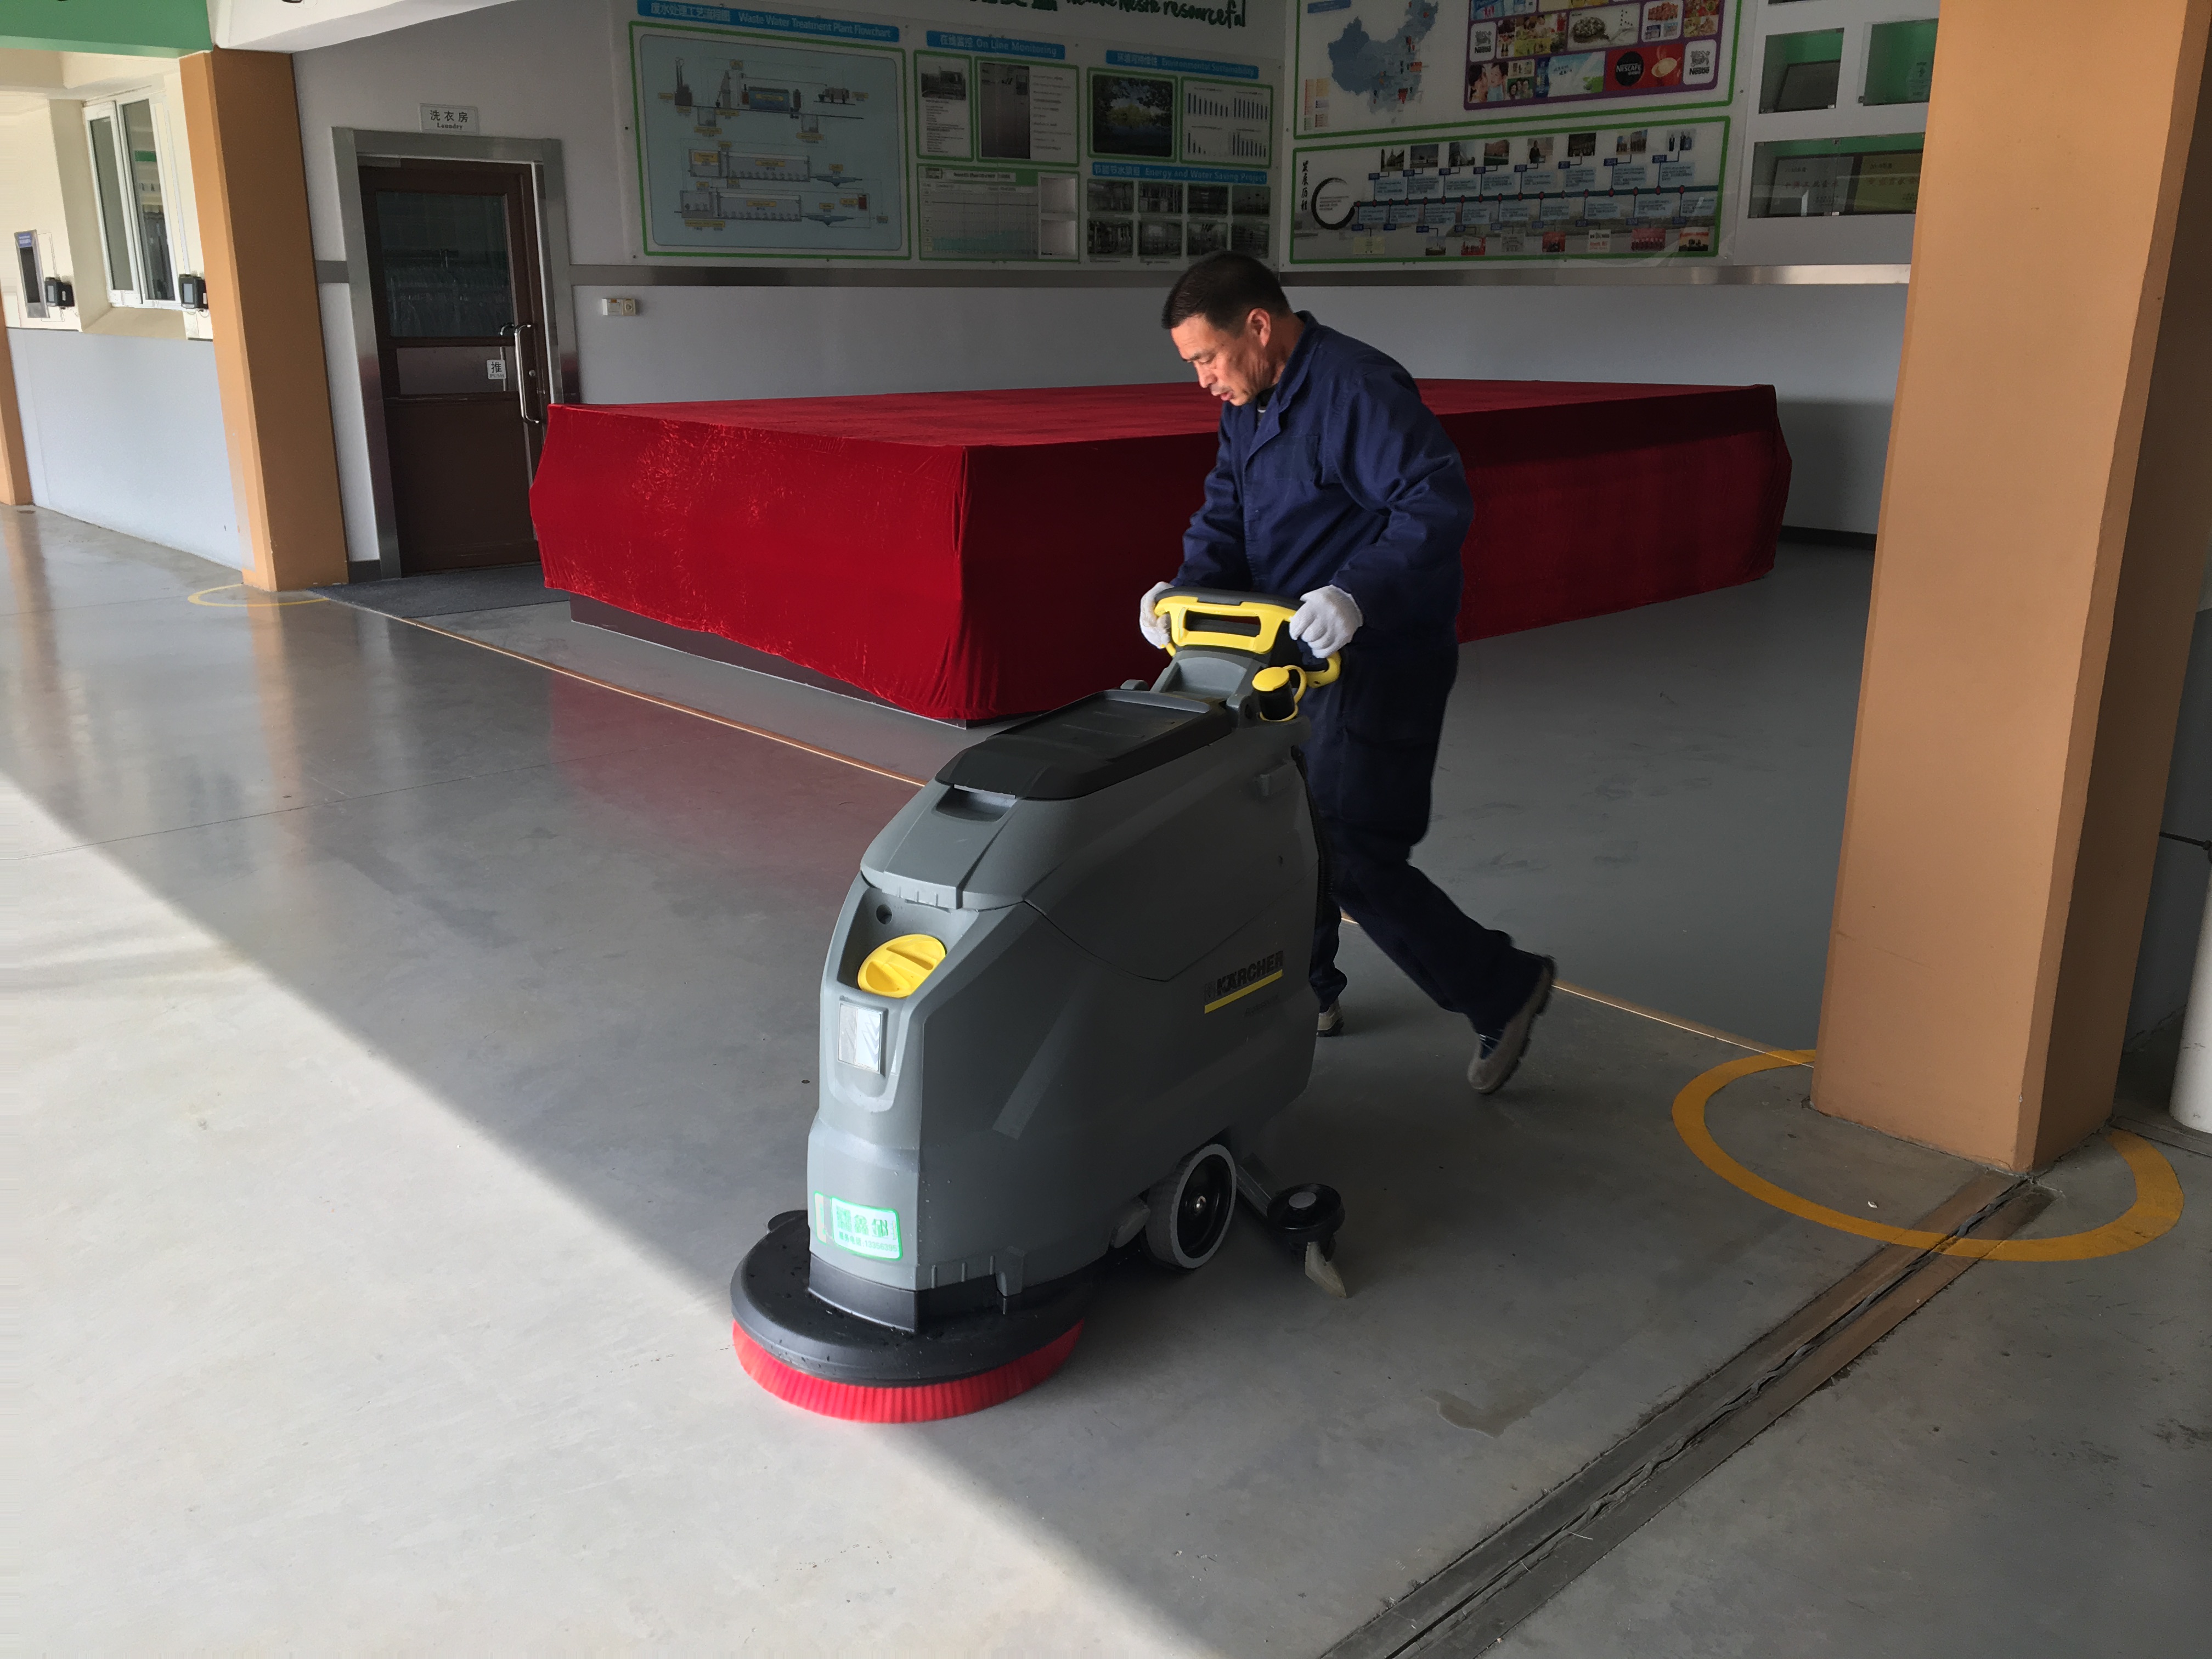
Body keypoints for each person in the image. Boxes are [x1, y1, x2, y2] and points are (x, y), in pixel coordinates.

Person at [1142, 252, 1555, 1094]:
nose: (1203, 380)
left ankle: (1502, 987)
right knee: (1285, 830)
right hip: (1293, 662)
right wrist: (1180, 593)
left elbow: (1435, 500)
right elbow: (1227, 512)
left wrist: (1358, 594)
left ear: (1259, 327)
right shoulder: (1250, 405)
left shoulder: (1356, 390)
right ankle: (1311, 988)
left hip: (1380, 659)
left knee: (1353, 851)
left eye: (1206, 358)